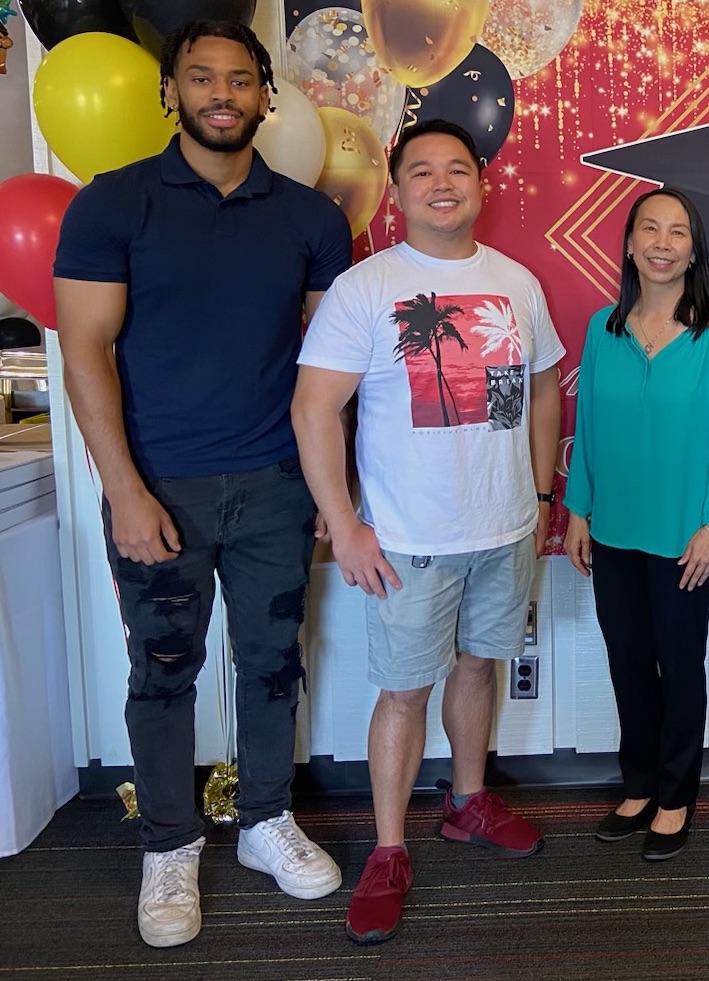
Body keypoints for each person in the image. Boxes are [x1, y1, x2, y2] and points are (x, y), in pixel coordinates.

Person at [52, 20, 352, 949]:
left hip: (273, 483)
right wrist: (126, 490)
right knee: (163, 672)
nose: (220, 93)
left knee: (273, 665)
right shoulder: (112, 205)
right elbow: (85, 350)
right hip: (159, 489)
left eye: (238, 79)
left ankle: (264, 820)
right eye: (200, 77)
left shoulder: (311, 219)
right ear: (170, 93)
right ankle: (169, 844)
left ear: (268, 95)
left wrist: (329, 493)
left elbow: (329, 366)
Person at [292, 119, 564, 944]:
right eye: (422, 172)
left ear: (481, 184)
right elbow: (313, 409)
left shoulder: (515, 281)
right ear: (399, 188)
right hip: (406, 539)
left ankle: (468, 801)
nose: (441, 183)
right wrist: (344, 526)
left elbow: (545, 389)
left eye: (456, 169)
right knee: (404, 689)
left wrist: (543, 493)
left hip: (505, 527)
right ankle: (387, 847)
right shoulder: (365, 288)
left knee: (479, 668)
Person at [563, 187, 709, 862]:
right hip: (611, 528)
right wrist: (576, 510)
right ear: (630, 242)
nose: (662, 242)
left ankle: (675, 795)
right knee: (628, 662)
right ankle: (636, 784)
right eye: (650, 229)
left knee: (680, 663)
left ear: (694, 250)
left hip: (686, 537)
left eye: (677, 232)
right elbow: (586, 430)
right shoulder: (601, 328)